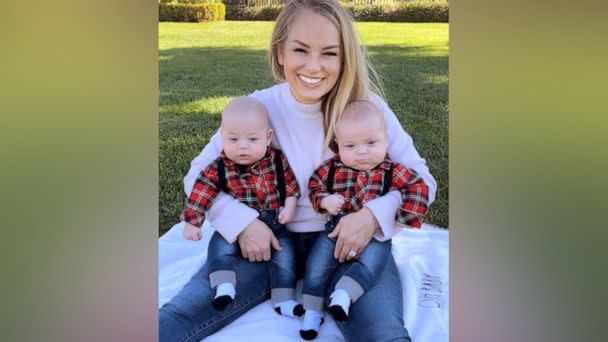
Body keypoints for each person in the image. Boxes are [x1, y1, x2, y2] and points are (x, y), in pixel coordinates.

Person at [159, 0, 437, 341]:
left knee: (383, 333)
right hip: (271, 240)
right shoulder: (259, 107)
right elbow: (197, 176)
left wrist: (371, 218)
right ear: (280, 53)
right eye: (300, 50)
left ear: (345, 57)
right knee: (180, 316)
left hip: (347, 245)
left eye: (329, 53)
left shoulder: (366, 109)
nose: (314, 66)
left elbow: (422, 181)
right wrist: (243, 224)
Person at [300, 100, 430, 339]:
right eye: (351, 145)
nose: (362, 152)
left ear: (385, 139)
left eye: (371, 143)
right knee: (317, 266)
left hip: (375, 237)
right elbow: (314, 185)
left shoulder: (391, 169)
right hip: (334, 231)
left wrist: (403, 217)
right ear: (337, 144)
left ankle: (344, 294)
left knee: (370, 266)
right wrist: (325, 201)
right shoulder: (332, 168)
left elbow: (419, 186)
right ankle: (312, 310)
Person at [178, 96, 304, 317]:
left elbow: (291, 185)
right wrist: (192, 221)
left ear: (268, 138)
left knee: (285, 258)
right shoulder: (219, 167)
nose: (242, 146)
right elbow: (201, 192)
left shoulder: (276, 160)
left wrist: (290, 207)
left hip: (275, 222)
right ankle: (224, 285)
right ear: (223, 137)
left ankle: (283, 298)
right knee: (218, 249)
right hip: (236, 228)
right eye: (233, 139)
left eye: (252, 139)